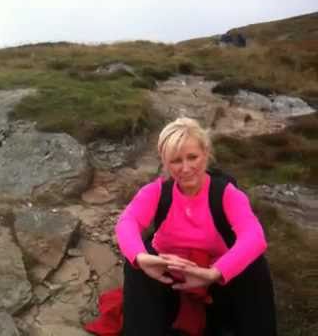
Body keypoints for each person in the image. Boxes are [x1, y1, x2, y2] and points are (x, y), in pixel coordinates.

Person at [115, 117, 277, 336]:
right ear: (165, 162)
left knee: (254, 265)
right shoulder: (156, 192)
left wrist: (213, 273)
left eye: (193, 157)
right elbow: (128, 221)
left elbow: (254, 237)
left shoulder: (227, 194)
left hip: (215, 280)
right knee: (135, 263)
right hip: (168, 279)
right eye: (176, 160)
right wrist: (141, 258)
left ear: (206, 153)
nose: (185, 168)